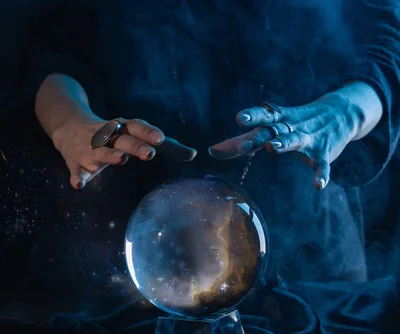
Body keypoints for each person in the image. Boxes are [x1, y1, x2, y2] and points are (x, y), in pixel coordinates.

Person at [22, 0, 400, 286]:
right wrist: (71, 124)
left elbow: (385, 40)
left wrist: (344, 112)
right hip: (143, 224)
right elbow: (57, 52)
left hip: (304, 206)